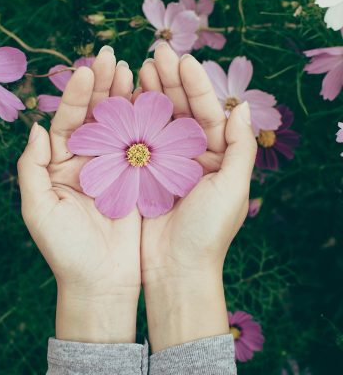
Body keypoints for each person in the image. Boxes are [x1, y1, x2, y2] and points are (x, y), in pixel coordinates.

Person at [17, 42, 257, 374]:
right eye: (137, 152)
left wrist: (96, 292)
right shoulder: (130, 153)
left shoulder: (150, 157)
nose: (139, 153)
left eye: (141, 153)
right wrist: (186, 277)